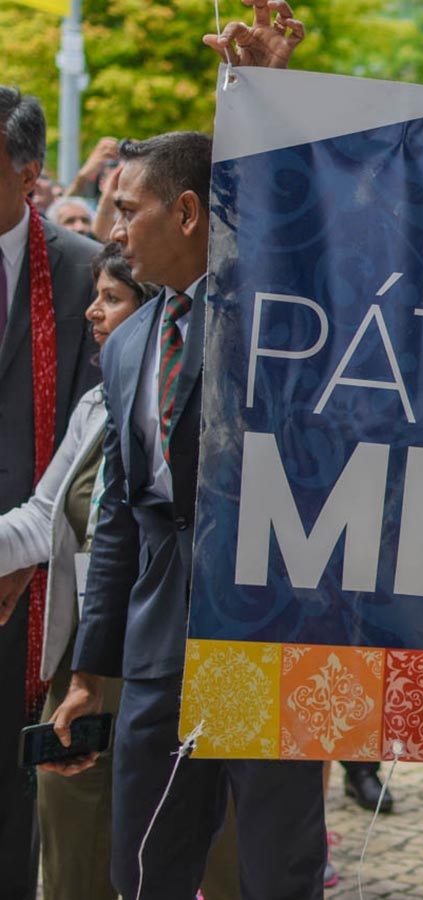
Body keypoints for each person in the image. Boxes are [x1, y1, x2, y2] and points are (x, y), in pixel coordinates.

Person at [49, 128, 326, 900]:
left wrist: (266, 100)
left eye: (126, 209)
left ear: (189, 212)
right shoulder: (130, 341)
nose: (110, 231)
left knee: (275, 868)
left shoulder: (276, 315)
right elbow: (120, 519)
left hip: (264, 634)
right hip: (156, 648)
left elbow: (301, 232)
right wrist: (89, 671)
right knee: (146, 867)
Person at [0, 84, 100, 900]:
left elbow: (89, 450)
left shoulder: (79, 275)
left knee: (16, 788)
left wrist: (28, 558)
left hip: (31, 582)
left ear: (29, 173)